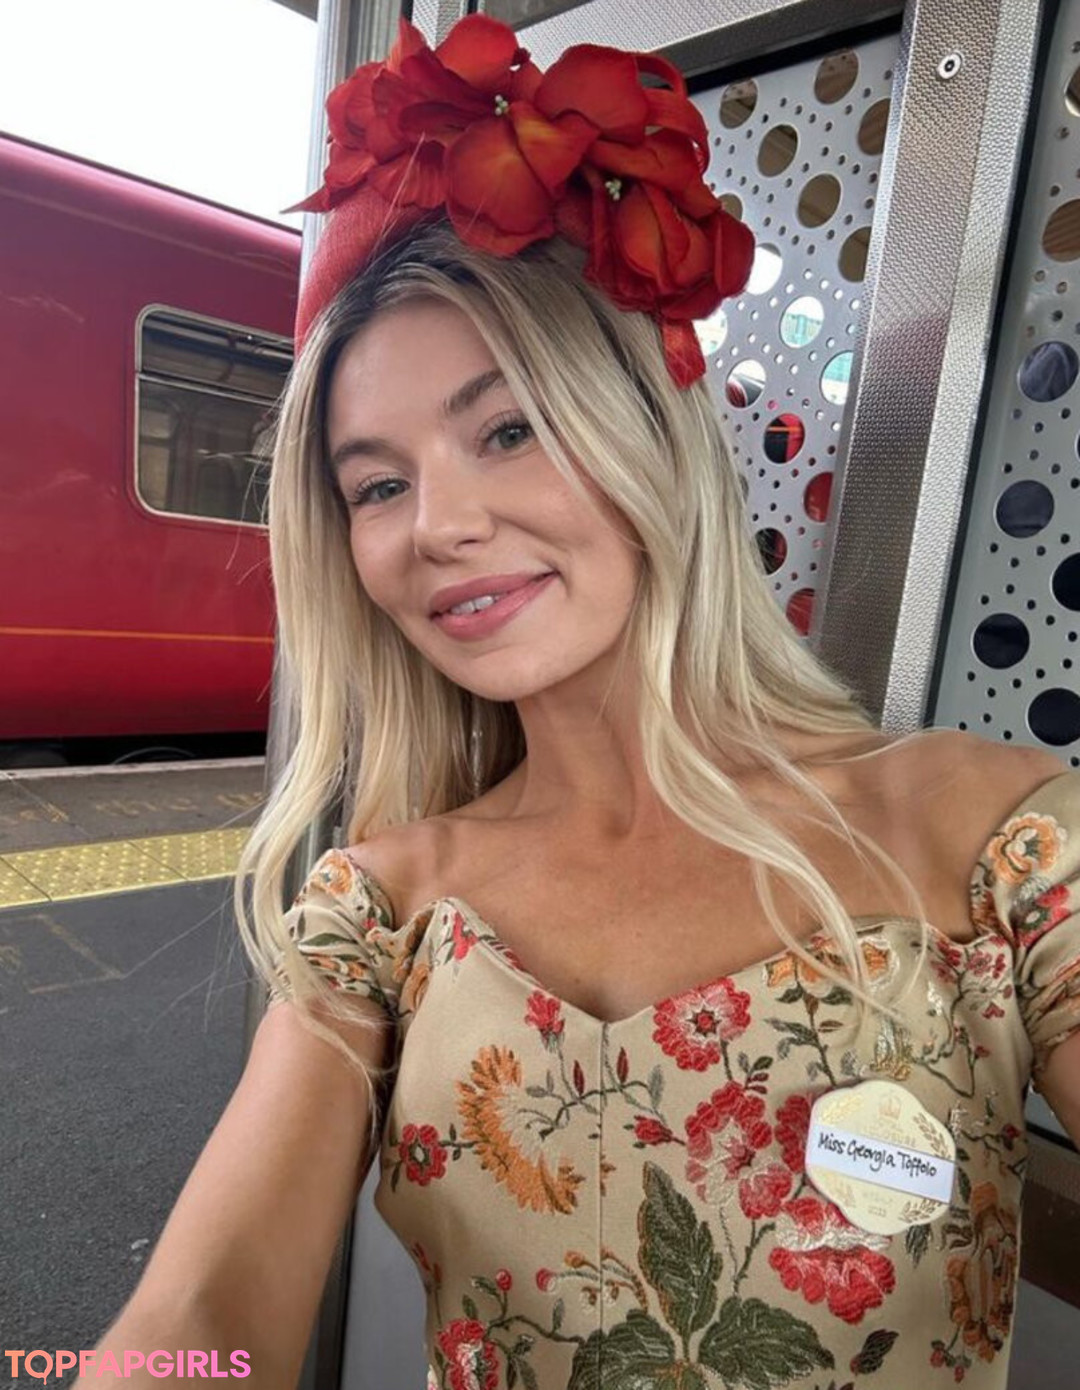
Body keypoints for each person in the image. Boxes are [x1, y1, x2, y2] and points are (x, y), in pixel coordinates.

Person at [78, 15, 1080, 1390]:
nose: (438, 525)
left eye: (507, 429)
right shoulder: (379, 913)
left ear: (647, 433)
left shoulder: (996, 840)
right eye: (379, 484)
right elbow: (204, 1305)